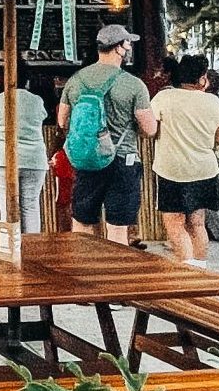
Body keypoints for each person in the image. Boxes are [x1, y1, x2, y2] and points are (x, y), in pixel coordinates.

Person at [57, 25, 157, 248]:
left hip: (86, 160)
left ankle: (83, 272)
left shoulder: (76, 81)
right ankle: (114, 276)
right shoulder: (133, 84)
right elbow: (150, 129)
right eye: (127, 43)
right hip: (123, 159)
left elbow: (63, 121)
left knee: (82, 222)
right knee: (117, 227)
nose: (130, 47)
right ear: (119, 49)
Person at [151, 54, 219, 267]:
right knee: (197, 223)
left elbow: (148, 130)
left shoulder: (164, 98)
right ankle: (200, 269)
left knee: (175, 223)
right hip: (204, 170)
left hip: (171, 169)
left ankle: (186, 270)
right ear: (202, 78)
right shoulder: (213, 102)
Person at [0, 81, 48, 232]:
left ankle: (10, 250)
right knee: (30, 206)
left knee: (7, 207)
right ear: (28, 81)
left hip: (2, 158)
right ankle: (32, 248)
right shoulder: (36, 100)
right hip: (34, 159)